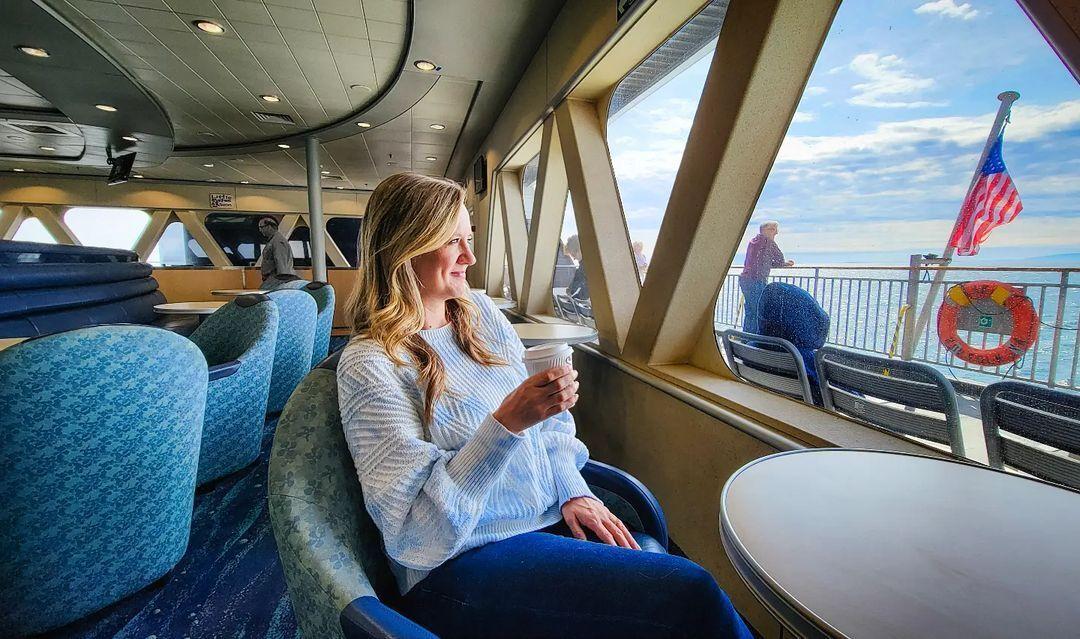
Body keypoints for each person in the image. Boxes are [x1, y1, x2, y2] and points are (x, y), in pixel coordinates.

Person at [337, 173, 752, 639]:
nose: (470, 258)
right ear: (405, 247)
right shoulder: (370, 365)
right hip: (456, 563)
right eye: (452, 241)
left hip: (541, 522)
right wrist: (506, 424)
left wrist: (573, 487)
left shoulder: (478, 314)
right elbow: (414, 533)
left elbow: (549, 430)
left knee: (659, 562)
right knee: (692, 590)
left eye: (469, 239)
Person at [739, 220, 793, 334]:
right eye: (774, 230)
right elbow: (779, 259)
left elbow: (761, 261)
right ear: (767, 230)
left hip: (745, 279)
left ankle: (745, 337)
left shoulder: (754, 241)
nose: (776, 233)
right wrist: (785, 263)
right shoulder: (768, 242)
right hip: (756, 280)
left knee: (750, 310)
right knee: (757, 310)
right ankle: (753, 340)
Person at [257, 216, 297, 289]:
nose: (260, 230)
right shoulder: (272, 241)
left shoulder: (278, 241)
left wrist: (280, 284)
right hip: (272, 280)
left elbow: (281, 264)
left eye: (261, 227)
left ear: (269, 226)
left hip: (277, 281)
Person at [564, 234, 589, 301]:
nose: (574, 258)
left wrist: (574, 298)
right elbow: (578, 276)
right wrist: (571, 289)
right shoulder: (584, 263)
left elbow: (587, 290)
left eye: (573, 255)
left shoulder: (590, 265)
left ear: (579, 250)